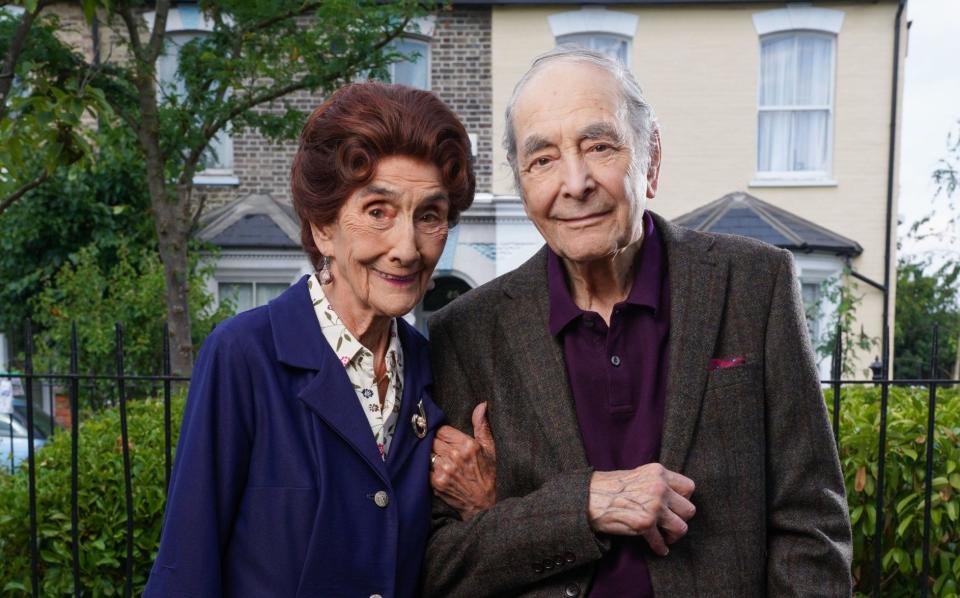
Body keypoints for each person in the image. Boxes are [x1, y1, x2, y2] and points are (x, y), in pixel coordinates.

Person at [424, 47, 852, 597]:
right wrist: (583, 504)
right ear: (523, 185)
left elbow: (809, 523)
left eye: (599, 146)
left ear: (650, 160)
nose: (574, 183)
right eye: (543, 159)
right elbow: (442, 563)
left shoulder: (753, 282)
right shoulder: (466, 333)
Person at [143, 82, 475, 597]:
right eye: (377, 211)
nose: (406, 248)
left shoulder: (437, 370)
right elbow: (186, 568)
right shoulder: (244, 357)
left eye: (429, 216)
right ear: (322, 227)